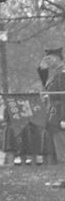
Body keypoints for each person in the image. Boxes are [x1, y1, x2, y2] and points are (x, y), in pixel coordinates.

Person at [40, 47, 65, 178]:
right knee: (60, 151)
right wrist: (42, 70)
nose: (48, 61)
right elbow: (46, 88)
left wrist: (63, 118)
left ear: (58, 58)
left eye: (50, 58)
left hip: (59, 117)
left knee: (63, 151)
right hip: (54, 116)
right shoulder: (55, 74)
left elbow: (63, 98)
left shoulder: (62, 74)